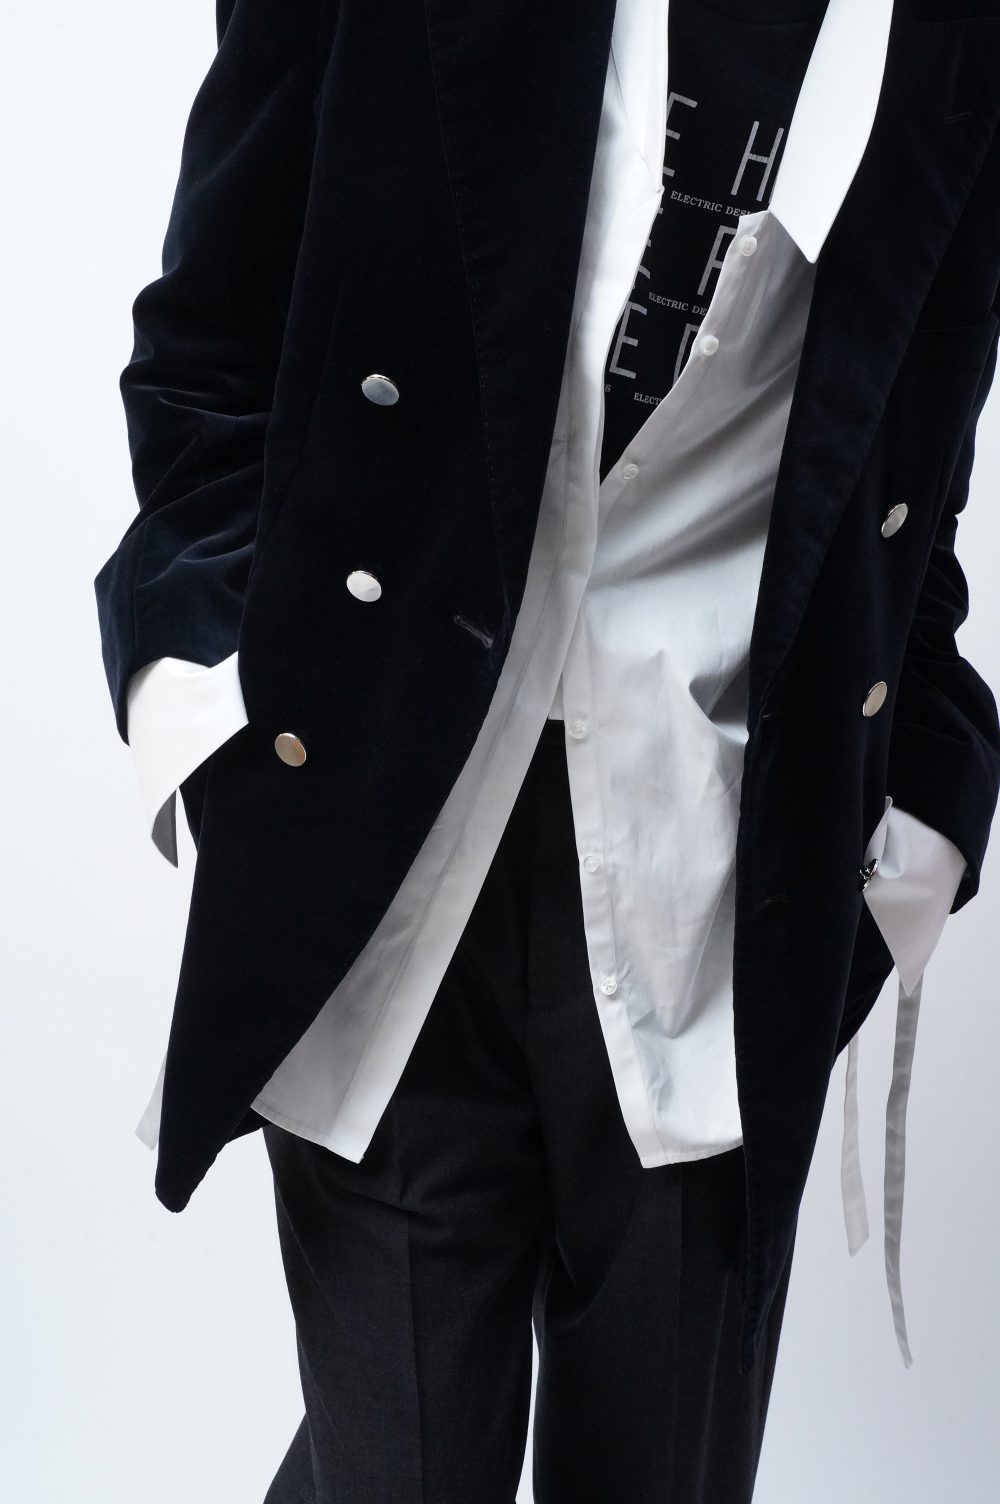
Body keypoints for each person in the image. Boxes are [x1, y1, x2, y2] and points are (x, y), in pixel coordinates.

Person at [94, 0, 1000, 1498]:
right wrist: (204, 710)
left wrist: (924, 812)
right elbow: (207, 356)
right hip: (386, 846)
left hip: (723, 888)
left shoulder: (954, 41)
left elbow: (907, 484)